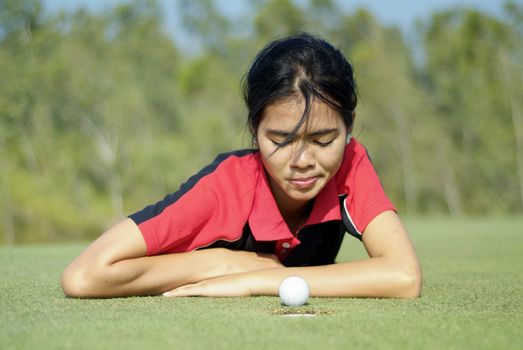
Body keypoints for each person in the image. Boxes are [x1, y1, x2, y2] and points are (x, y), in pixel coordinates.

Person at [61, 33, 421, 299]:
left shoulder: (351, 162)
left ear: (349, 126)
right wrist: (221, 263)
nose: (303, 162)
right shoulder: (227, 188)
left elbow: (403, 275)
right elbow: (84, 276)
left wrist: (261, 281)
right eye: (280, 140)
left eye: (323, 140)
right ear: (254, 129)